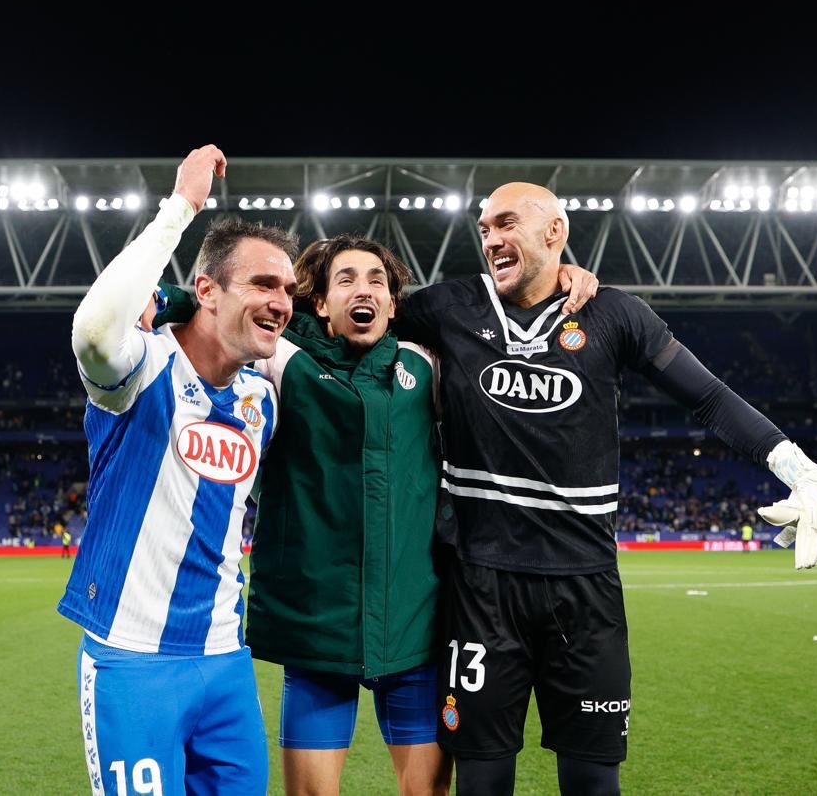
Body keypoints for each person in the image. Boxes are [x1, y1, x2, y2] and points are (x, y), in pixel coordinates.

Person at [396, 182, 817, 795]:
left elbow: (710, 397)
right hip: (481, 587)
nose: (490, 239)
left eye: (507, 223)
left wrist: (801, 469)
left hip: (586, 589)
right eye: (483, 228)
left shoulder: (615, 313)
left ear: (554, 232)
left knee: (593, 784)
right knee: (482, 783)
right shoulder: (448, 307)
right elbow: (338, 305)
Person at [156, 237, 597, 796]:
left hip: (414, 626)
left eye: (377, 282)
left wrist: (562, 281)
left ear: (393, 306)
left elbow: (509, 336)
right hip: (318, 630)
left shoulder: (426, 364)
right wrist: (163, 296)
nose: (362, 290)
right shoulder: (282, 359)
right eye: (345, 280)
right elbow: (217, 310)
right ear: (320, 303)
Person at [57, 145, 297, 796]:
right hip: (132, 660)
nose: (281, 301)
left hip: (225, 660)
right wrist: (181, 207)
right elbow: (93, 329)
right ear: (208, 289)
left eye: (289, 290)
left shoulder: (262, 397)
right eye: (264, 284)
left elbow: (326, 362)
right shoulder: (138, 369)